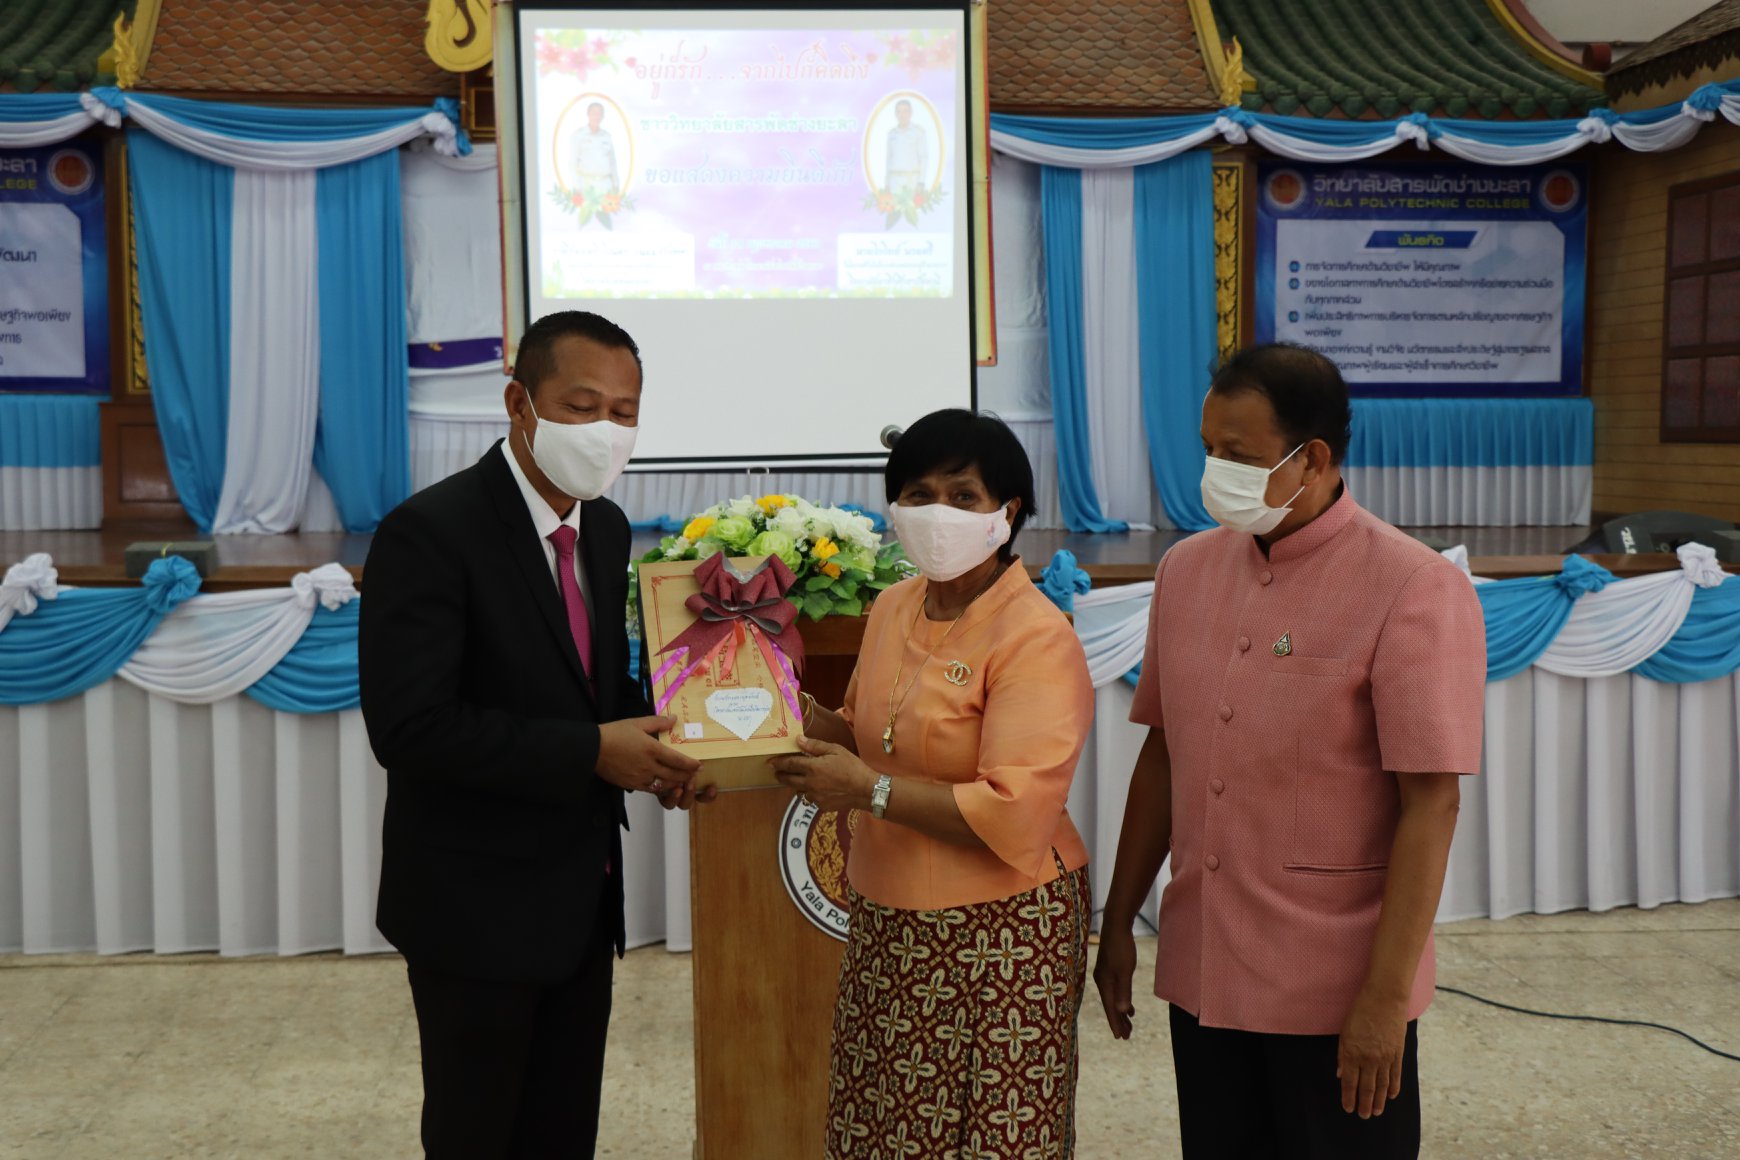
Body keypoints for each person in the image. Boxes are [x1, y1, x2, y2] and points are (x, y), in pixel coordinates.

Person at [1092, 344, 1486, 1160]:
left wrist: (1385, 1000)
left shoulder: (1410, 584)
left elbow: (1431, 803)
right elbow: (1164, 756)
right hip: (1206, 970)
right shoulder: (1186, 571)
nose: (1215, 472)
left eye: (1239, 456)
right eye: (1208, 449)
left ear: (1312, 459)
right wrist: (1119, 919)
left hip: (1333, 988)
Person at [359, 310, 708, 1159]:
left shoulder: (607, 528)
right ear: (519, 403)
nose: (604, 431)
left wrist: (674, 742)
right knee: (479, 1134)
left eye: (624, 413)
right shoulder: (431, 531)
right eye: (581, 407)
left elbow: (593, 686)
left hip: (580, 900)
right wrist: (595, 752)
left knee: (562, 1132)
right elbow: (411, 727)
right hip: (474, 907)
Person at [771, 409, 1093, 1160]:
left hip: (1005, 931)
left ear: (1007, 512)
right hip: (887, 916)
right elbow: (865, 734)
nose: (937, 513)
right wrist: (778, 705)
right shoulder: (894, 604)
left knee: (992, 1134)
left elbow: (1014, 811)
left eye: (963, 495)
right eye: (918, 494)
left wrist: (868, 792)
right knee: (885, 1122)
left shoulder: (1035, 634)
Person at [567, 102, 620, 198]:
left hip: (606, 185)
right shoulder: (578, 135)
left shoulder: (607, 136)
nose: (597, 115)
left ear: (603, 116)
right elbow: (573, 163)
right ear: (588, 114)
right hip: (586, 185)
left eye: (600, 113)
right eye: (594, 112)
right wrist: (576, 187)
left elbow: (612, 162)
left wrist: (616, 184)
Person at [883, 98, 928, 196]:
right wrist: (887, 184)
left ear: (910, 113)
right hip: (894, 183)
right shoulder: (892, 134)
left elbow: (923, 158)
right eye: (898, 111)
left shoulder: (918, 132)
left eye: (905, 111)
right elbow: (888, 160)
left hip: (912, 183)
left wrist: (921, 182)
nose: (902, 115)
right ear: (895, 114)